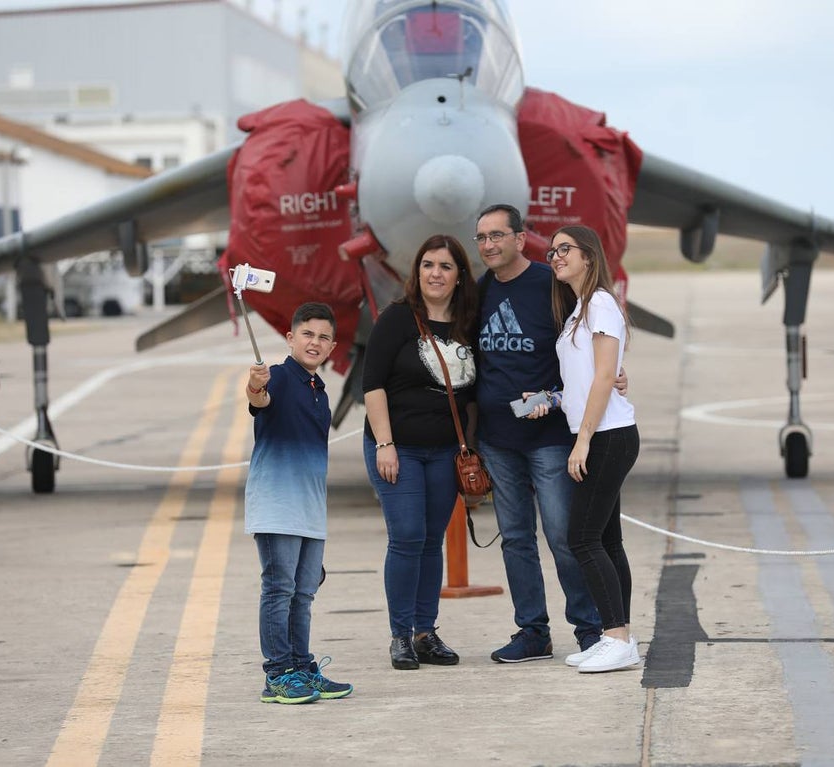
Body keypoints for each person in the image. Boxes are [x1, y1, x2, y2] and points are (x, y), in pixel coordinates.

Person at [472, 204, 605, 663]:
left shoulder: (550, 285)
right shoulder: (480, 290)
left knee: (562, 536)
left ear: (521, 238)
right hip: (496, 440)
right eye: (482, 238)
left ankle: (591, 630)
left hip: (549, 438)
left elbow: (589, 342)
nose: (489, 245)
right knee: (515, 539)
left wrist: (611, 373)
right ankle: (532, 631)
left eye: (497, 236)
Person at [362, 234, 479, 671]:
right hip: (398, 447)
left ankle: (426, 633)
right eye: (428, 264)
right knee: (408, 535)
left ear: (459, 275)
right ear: (417, 272)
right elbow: (371, 384)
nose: (435, 273)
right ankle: (400, 635)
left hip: (446, 450)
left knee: (432, 542)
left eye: (445, 266)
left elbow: (475, 394)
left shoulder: (469, 322)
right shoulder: (396, 319)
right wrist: (386, 444)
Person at [245, 302, 353, 704]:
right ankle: (277, 674)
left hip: (310, 508)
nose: (315, 342)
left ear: (332, 346)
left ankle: (301, 667)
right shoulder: (278, 378)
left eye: (324, 337)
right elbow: (259, 398)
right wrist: (256, 384)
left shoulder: (318, 390)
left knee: (303, 594)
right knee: (279, 589)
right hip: (277, 505)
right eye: (307, 334)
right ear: (290, 338)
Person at [545, 224, 641, 673]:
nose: (556, 256)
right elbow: (593, 377)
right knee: (607, 539)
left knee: (581, 538)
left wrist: (581, 441)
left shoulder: (600, 302)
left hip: (606, 436)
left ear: (588, 255)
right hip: (603, 431)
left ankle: (615, 637)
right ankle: (619, 635)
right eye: (552, 251)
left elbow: (605, 377)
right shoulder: (581, 309)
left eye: (565, 249)